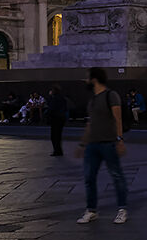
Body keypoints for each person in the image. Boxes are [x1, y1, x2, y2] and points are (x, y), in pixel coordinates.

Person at [77, 68, 129, 225]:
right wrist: (82, 144)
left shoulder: (110, 95)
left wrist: (120, 140)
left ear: (94, 79)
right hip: (92, 145)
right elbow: (90, 124)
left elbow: (118, 119)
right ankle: (91, 210)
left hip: (109, 143)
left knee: (117, 176)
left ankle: (122, 210)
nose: (85, 80)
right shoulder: (92, 99)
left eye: (88, 77)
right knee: (89, 178)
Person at [47, 85, 68, 156]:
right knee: (58, 135)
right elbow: (65, 108)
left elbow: (51, 108)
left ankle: (56, 151)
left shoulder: (54, 99)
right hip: (61, 118)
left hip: (55, 118)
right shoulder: (62, 98)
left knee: (54, 136)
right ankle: (59, 151)